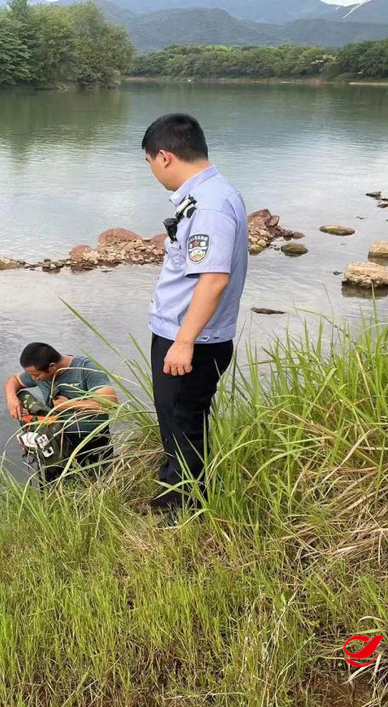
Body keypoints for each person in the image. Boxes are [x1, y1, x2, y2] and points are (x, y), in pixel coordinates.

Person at [142, 113, 248, 511]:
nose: (152, 171)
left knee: (184, 426)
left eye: (150, 162)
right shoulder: (210, 195)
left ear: (165, 157)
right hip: (184, 334)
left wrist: (184, 341)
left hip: (191, 340)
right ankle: (175, 495)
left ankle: (184, 513)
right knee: (176, 422)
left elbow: (213, 280)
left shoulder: (210, 206)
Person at [4, 342, 118, 483]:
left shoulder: (85, 369)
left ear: (52, 366)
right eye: (30, 375)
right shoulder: (38, 372)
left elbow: (110, 403)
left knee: (97, 483)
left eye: (36, 375)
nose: (33, 379)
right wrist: (11, 398)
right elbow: (14, 379)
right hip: (55, 442)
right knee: (55, 485)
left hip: (90, 441)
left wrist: (69, 405)